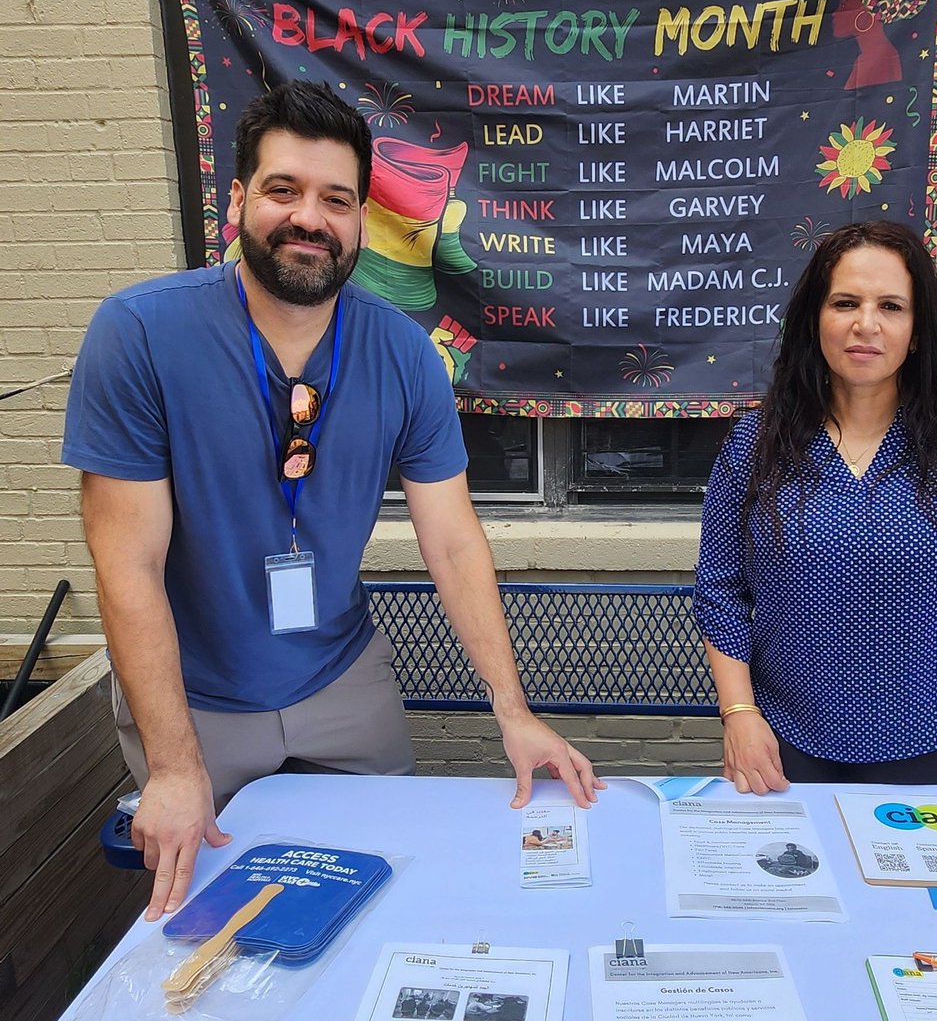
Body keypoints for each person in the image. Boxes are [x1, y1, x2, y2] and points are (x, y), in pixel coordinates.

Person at [62, 81, 603, 923]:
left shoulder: (404, 353)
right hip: (194, 700)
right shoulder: (139, 334)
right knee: (224, 922)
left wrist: (514, 712)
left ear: (360, 221)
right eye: (284, 190)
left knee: (376, 900)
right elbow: (125, 562)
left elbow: (453, 544)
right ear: (239, 199)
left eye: (336, 200)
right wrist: (172, 767)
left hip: (342, 680)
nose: (309, 217)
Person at [694, 220, 937, 800]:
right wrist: (739, 713)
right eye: (846, 302)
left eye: (892, 306)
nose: (866, 324)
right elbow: (720, 590)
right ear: (814, 320)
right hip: (783, 740)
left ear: (918, 330)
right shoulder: (757, 445)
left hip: (930, 738)